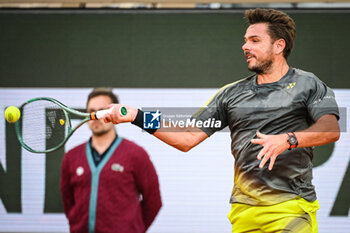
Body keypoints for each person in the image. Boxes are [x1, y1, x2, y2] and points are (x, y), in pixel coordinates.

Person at [103, 9, 340, 233]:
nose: (245, 46)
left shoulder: (309, 84)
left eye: (255, 40)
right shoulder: (230, 94)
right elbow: (187, 137)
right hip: (244, 212)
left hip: (292, 209)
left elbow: (330, 129)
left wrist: (288, 140)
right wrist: (136, 115)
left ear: (279, 45)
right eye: (245, 40)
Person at [60, 88, 162, 233]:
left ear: (115, 116)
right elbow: (68, 201)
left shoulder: (136, 154)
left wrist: (133, 228)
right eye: (92, 111)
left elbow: (153, 201)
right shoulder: (71, 157)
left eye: (101, 111)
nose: (95, 116)